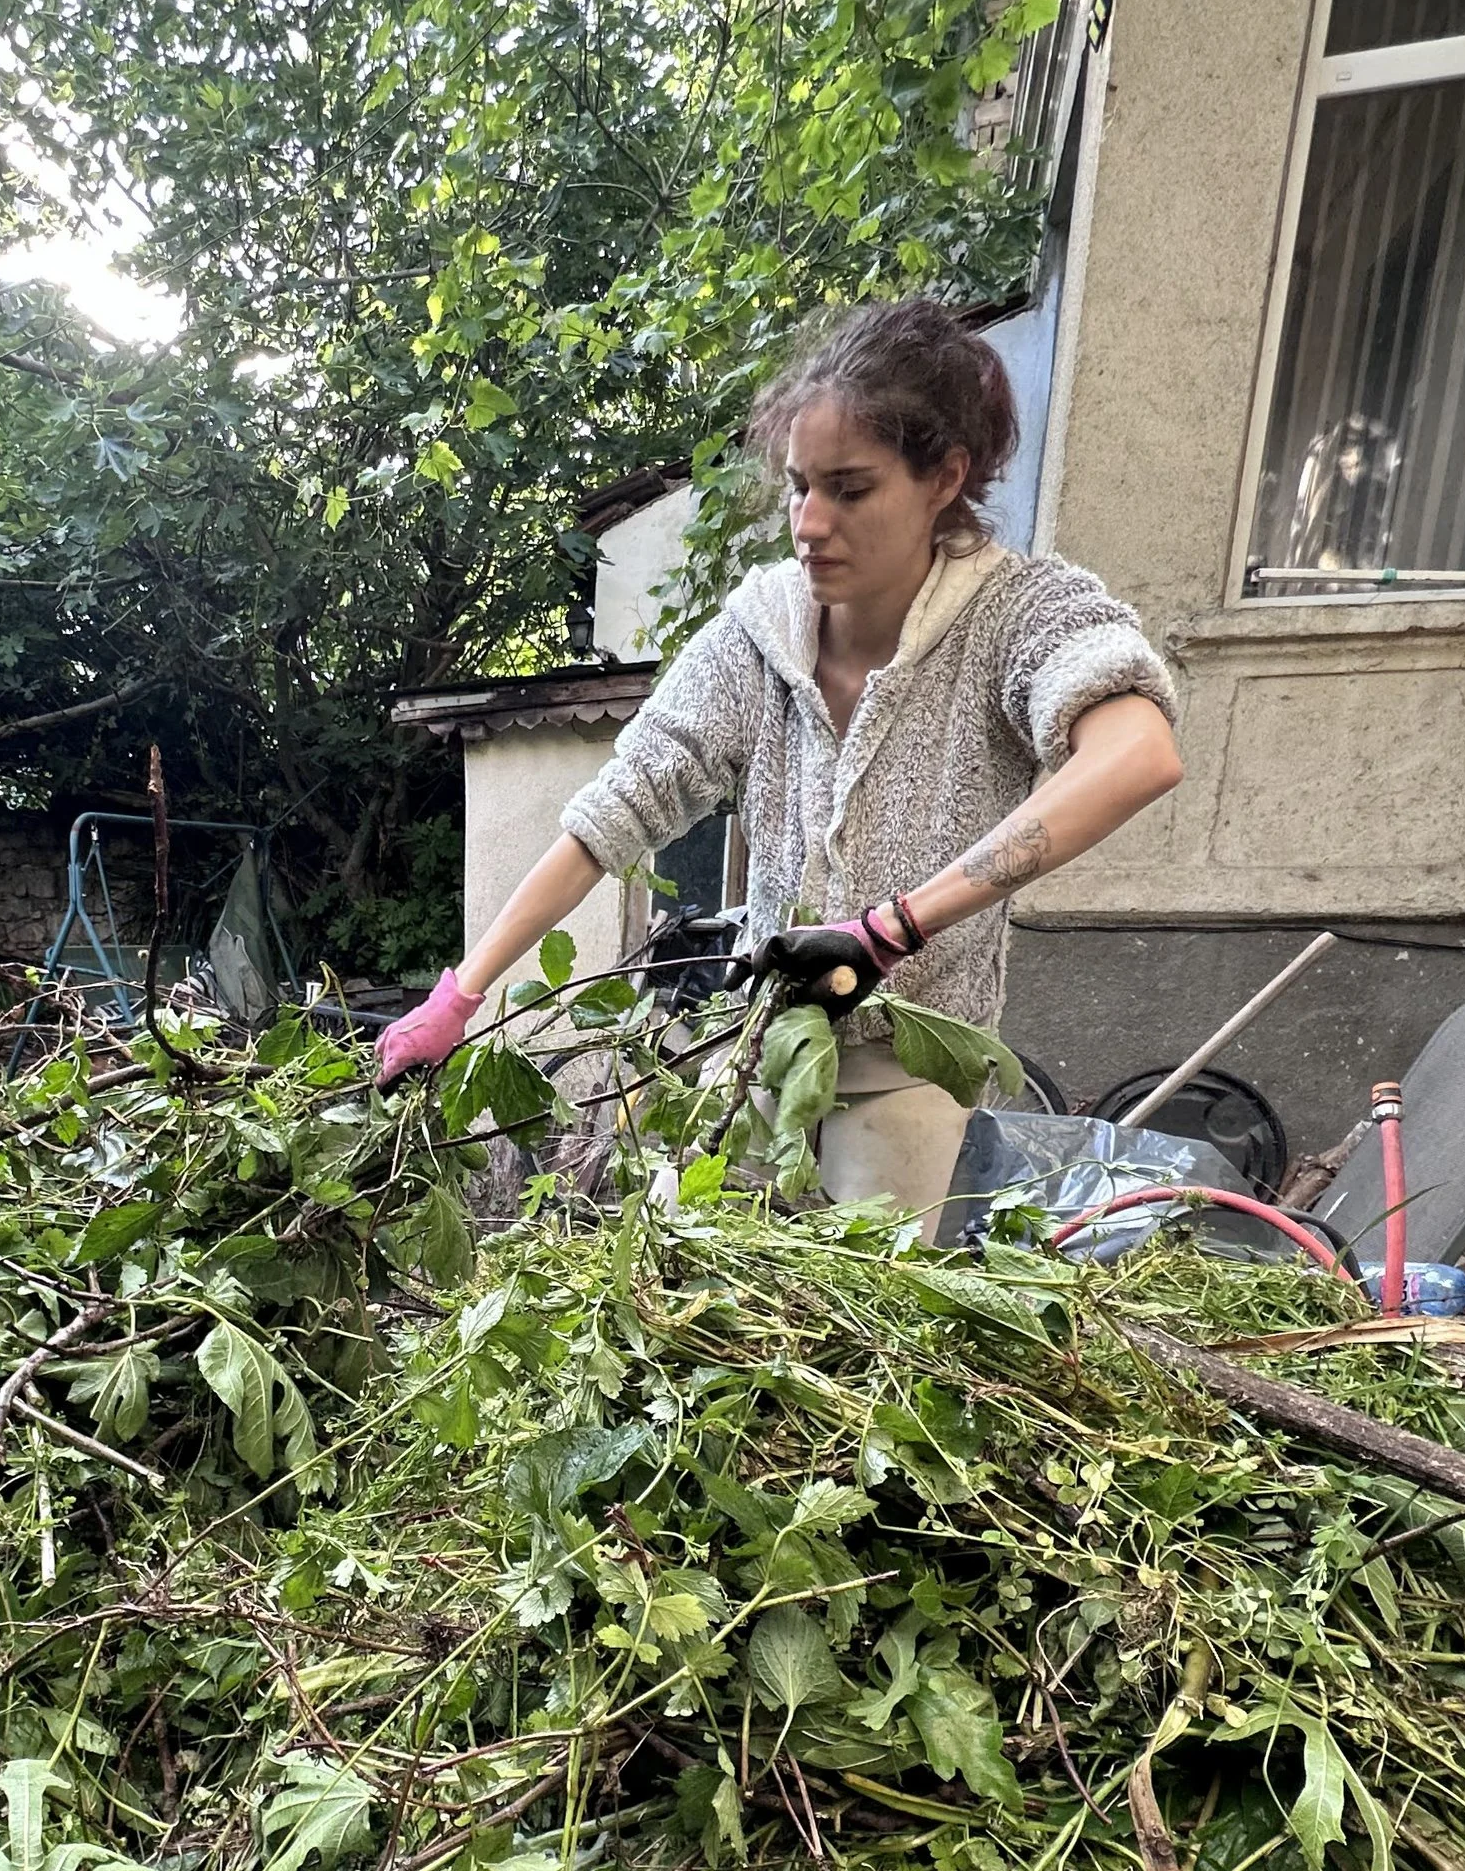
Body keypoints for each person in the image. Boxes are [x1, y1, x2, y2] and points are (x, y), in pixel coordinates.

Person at [375, 297, 1185, 1235]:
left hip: (911, 1068)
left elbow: (1138, 754)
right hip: (761, 1046)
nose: (810, 522)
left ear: (943, 479)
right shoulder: (757, 637)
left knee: (851, 1328)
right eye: (800, 486)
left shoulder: (1022, 616)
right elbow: (609, 819)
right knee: (682, 1287)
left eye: (849, 488)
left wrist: (891, 929)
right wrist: (459, 993)